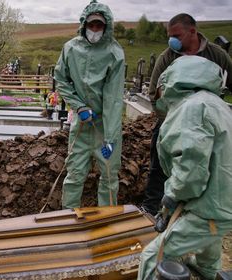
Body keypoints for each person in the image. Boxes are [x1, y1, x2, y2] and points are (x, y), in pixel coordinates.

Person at [138, 56, 232, 280]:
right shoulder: (217, 104)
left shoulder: (190, 109)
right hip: (223, 201)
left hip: (211, 207)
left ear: (171, 82)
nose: (158, 95)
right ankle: (209, 274)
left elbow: (191, 172)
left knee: (153, 256)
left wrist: (170, 198)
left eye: (159, 88)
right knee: (208, 249)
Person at [142, 13, 232, 216]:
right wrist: (172, 122)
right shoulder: (168, 56)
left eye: (177, 35)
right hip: (172, 121)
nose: (172, 40)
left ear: (193, 31)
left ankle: (202, 209)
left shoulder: (216, 55)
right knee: (159, 163)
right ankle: (151, 205)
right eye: (169, 35)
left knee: (210, 164)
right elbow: (154, 94)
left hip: (209, 123)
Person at [54, 0, 125, 208]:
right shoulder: (71, 49)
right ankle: (68, 217)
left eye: (99, 26)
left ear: (106, 26)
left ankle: (108, 219)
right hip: (82, 124)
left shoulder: (114, 53)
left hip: (105, 125)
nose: (94, 30)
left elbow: (113, 99)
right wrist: (79, 106)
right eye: (91, 25)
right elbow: (61, 80)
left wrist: (110, 138)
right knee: (75, 173)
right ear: (84, 24)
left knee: (110, 176)